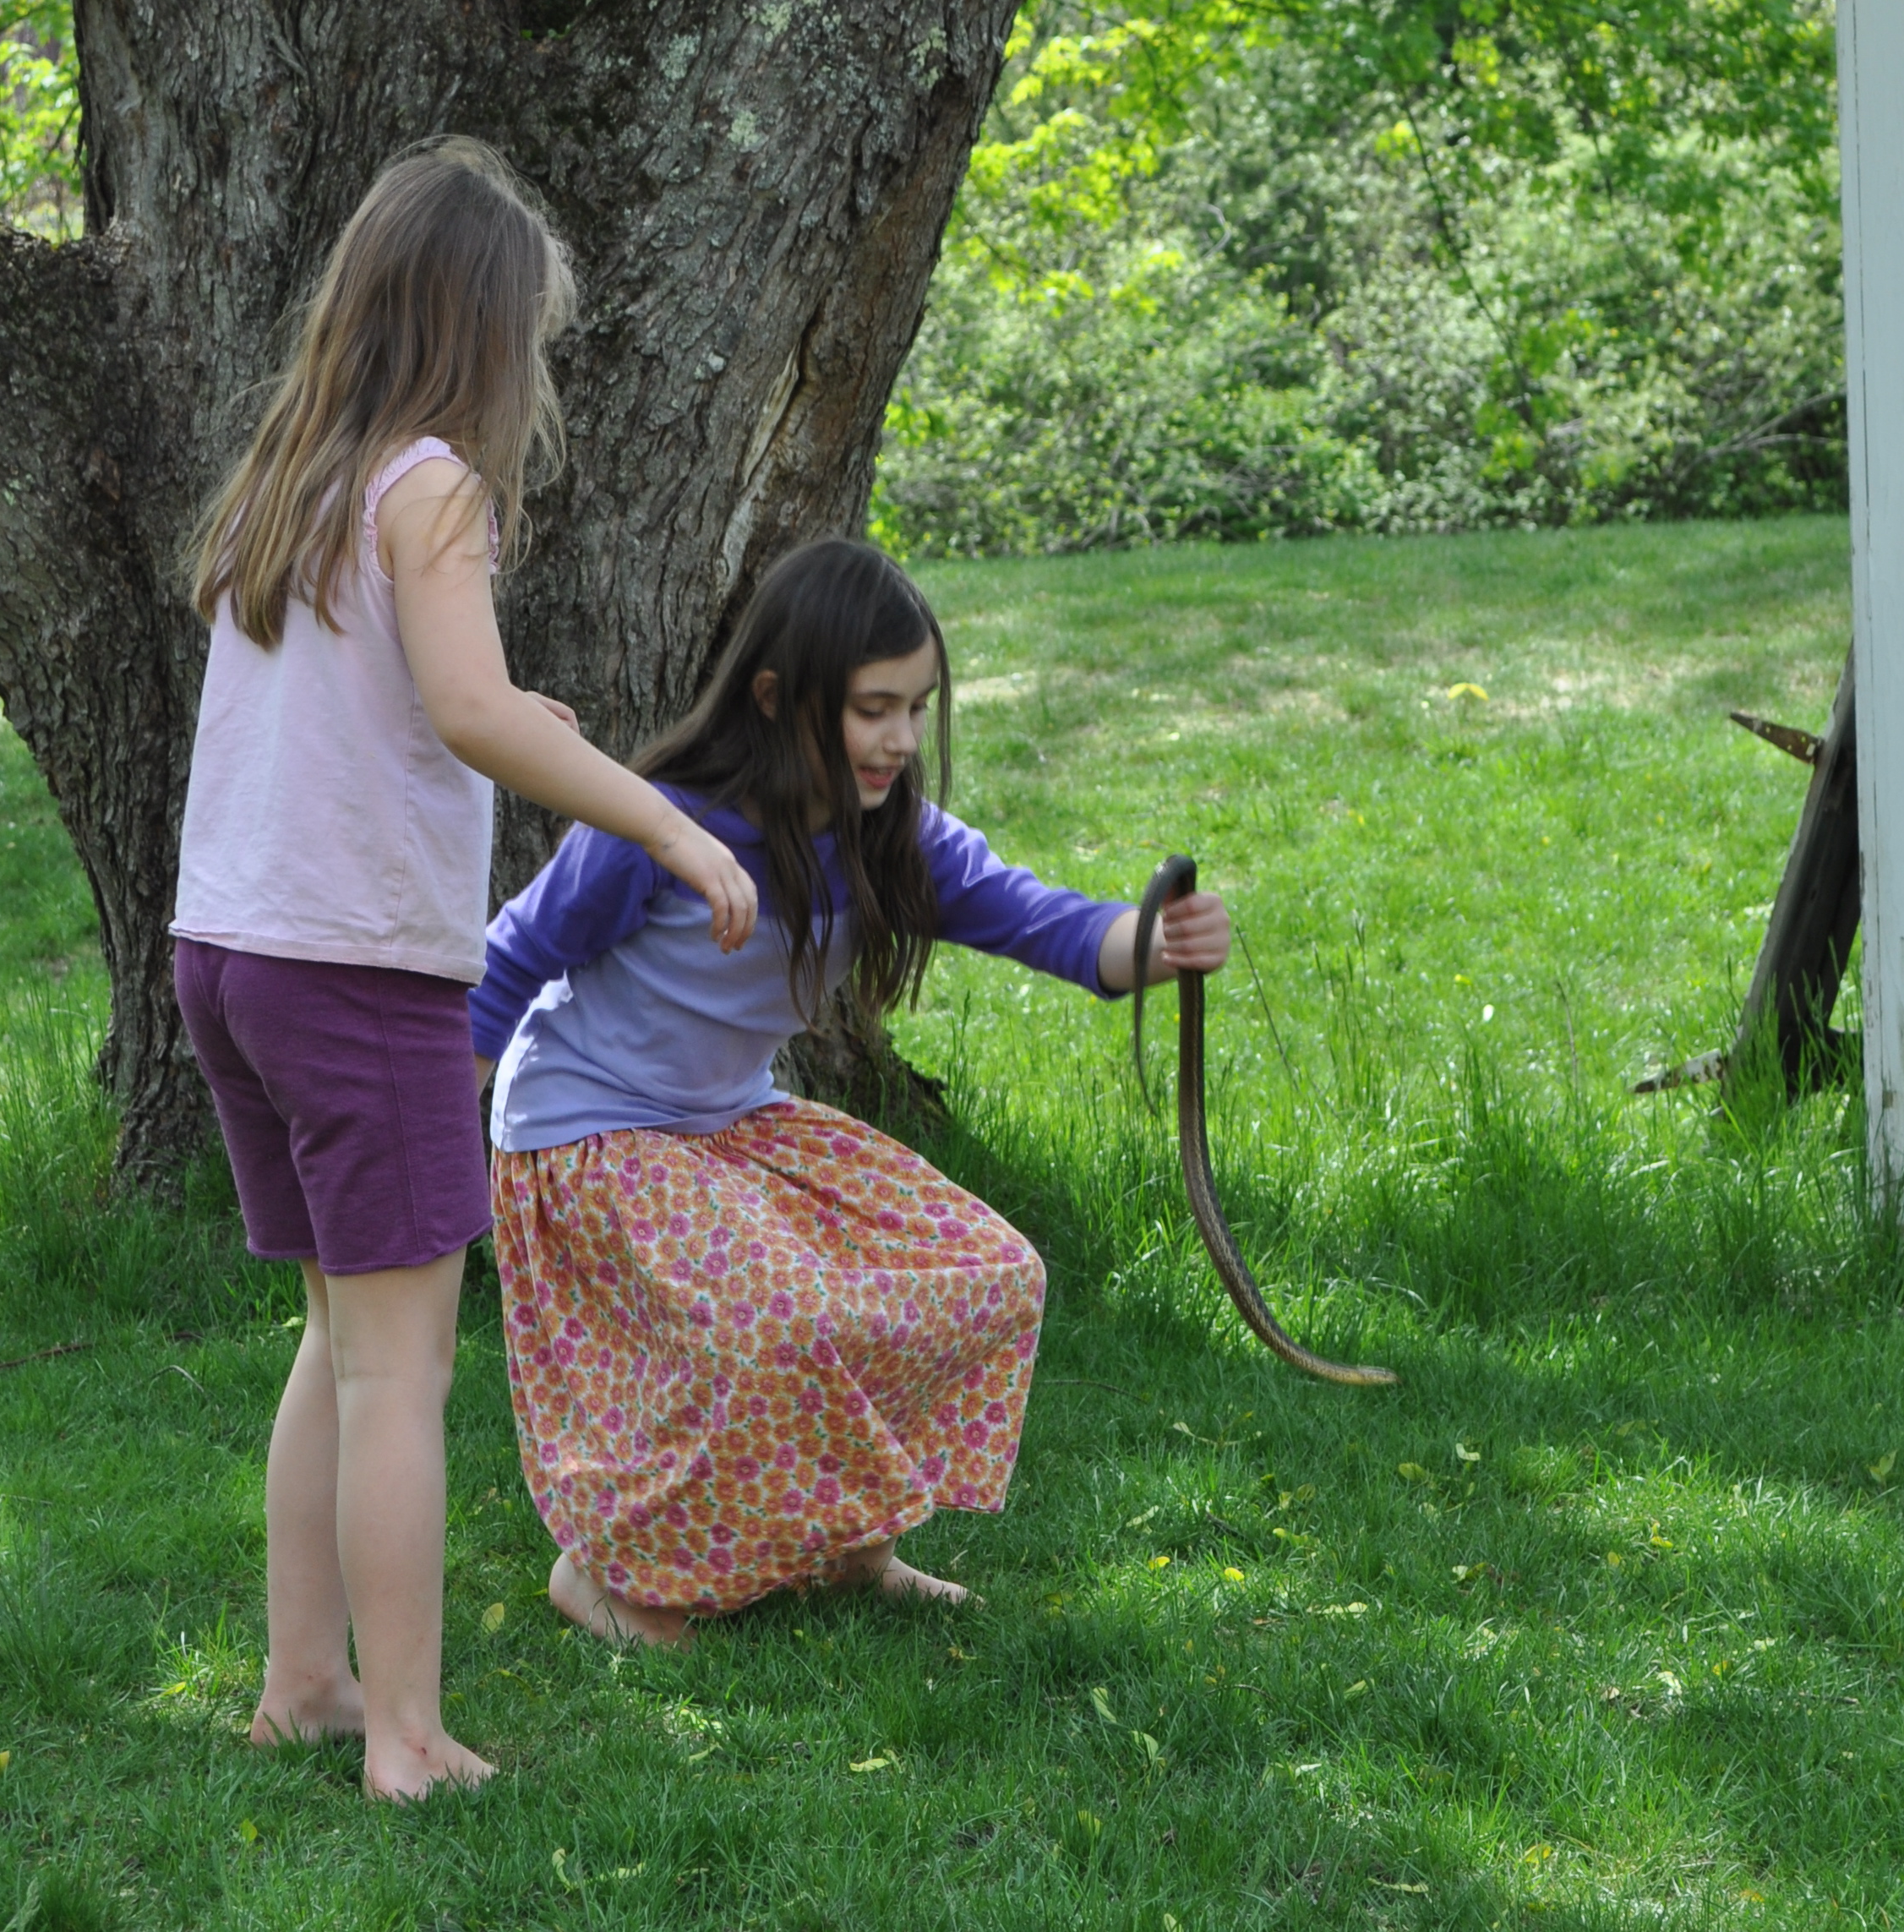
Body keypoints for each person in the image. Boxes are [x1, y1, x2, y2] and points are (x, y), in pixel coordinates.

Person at [172, 138, 758, 1799]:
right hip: (357, 983)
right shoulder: (434, 483)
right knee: (404, 1371)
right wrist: (677, 831)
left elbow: (391, 717)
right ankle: (411, 1738)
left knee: (333, 1343)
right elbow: (465, 712)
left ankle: (304, 1682)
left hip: (231, 957)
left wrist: (513, 728)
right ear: (484, 329)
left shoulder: (292, 477)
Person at [470, 538, 1231, 1647]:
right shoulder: (658, 826)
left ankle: (848, 1544)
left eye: (916, 708)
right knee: (777, 1314)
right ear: (778, 697)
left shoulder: (891, 841)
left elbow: (1051, 924)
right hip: (587, 1128)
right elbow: (505, 968)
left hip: (727, 1121)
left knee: (983, 1275)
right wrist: (440, 1137)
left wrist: (1151, 941)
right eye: (875, 708)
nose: (900, 739)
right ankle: (606, 1572)